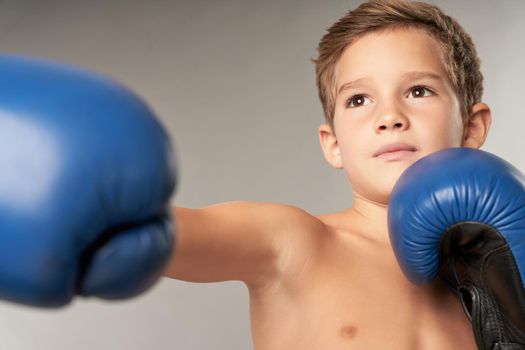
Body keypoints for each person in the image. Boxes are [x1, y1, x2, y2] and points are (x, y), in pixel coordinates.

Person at [163, 0, 493, 348]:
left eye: (418, 91)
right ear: (333, 144)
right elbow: (153, 236)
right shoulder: (293, 243)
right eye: (359, 100)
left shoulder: (499, 275)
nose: (390, 116)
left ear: (471, 128)